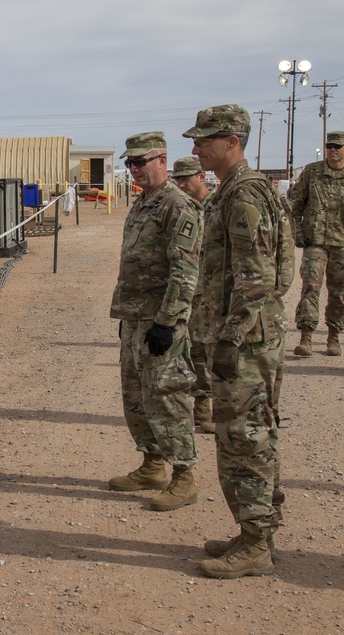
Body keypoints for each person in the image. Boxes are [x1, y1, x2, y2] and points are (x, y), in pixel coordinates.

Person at [183, 104, 294, 579]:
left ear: (233, 141)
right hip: (249, 336)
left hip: (245, 342)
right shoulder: (236, 191)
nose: (195, 147)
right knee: (252, 436)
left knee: (243, 439)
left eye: (204, 140)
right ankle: (256, 532)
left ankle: (256, 544)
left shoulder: (244, 195)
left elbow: (259, 276)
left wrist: (230, 339)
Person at [108, 132, 202, 512]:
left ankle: (184, 476)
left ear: (162, 160)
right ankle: (152, 465)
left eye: (140, 162)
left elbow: (185, 271)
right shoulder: (143, 203)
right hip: (134, 319)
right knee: (136, 398)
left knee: (167, 398)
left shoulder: (176, 206)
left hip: (160, 322)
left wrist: (167, 322)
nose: (134, 169)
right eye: (129, 163)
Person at [289, 131, 344, 357]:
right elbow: (295, 205)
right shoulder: (312, 172)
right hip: (315, 241)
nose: (333, 150)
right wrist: (297, 233)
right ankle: (306, 338)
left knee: (340, 292)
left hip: (343, 243)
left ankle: (334, 338)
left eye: (338, 146)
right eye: (330, 146)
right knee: (310, 287)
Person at [171, 156, 215, 434]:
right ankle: (193, 408)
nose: (182, 184)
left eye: (186, 179)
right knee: (187, 349)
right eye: (178, 180)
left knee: (207, 350)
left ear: (201, 176)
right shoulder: (179, 207)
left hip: (211, 291)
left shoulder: (218, 206)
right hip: (185, 289)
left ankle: (207, 406)